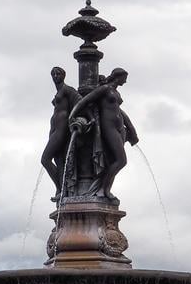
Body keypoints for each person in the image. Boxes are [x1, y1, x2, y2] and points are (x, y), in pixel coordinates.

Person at [68, 68, 138, 202]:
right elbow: (85, 101)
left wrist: (131, 129)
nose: (126, 81)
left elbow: (119, 111)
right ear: (118, 76)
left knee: (111, 161)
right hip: (108, 127)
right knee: (121, 160)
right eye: (124, 77)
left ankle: (105, 189)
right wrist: (72, 115)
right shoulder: (104, 89)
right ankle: (102, 189)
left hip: (119, 128)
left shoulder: (115, 91)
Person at [41, 67, 80, 200]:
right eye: (53, 74)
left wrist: (77, 119)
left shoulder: (68, 90)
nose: (55, 76)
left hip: (62, 129)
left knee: (45, 159)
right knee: (58, 160)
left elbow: (80, 102)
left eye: (58, 74)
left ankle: (60, 188)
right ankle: (62, 189)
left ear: (64, 75)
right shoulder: (59, 92)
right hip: (55, 129)